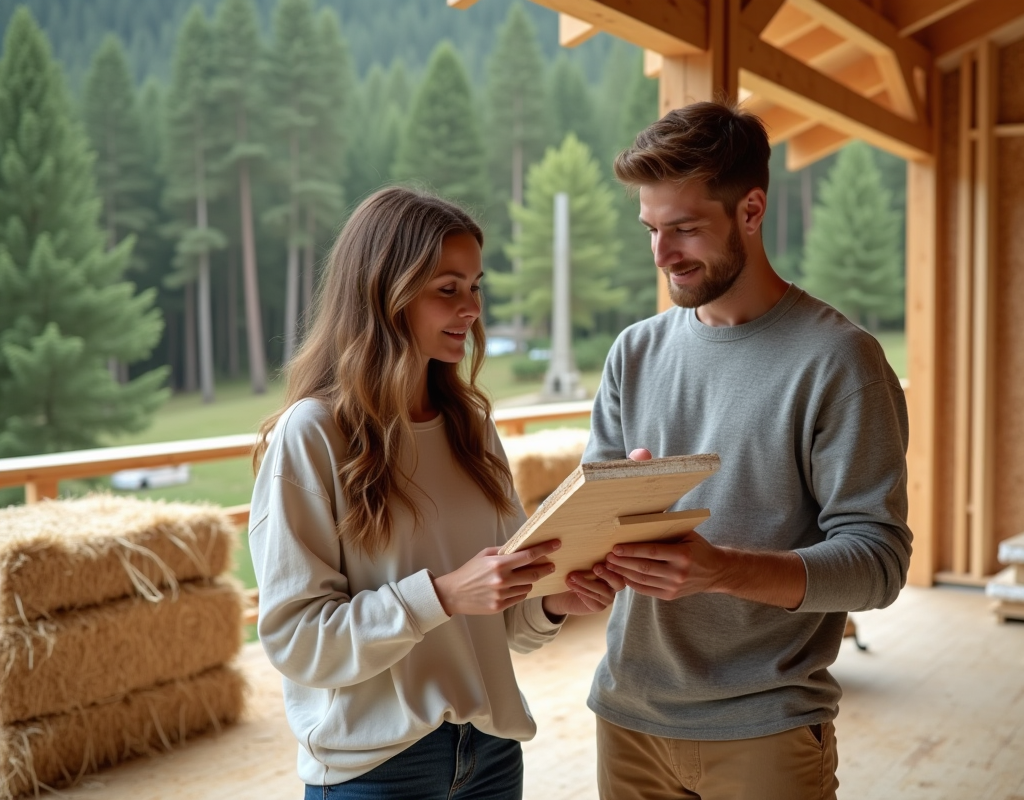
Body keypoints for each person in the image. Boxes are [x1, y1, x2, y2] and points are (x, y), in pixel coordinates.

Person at [581, 101, 912, 799]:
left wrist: (720, 570)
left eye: (684, 230)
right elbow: (589, 532)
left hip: (764, 728)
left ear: (752, 211)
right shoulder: (633, 353)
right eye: (651, 229)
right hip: (627, 719)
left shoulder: (840, 361)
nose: (662, 255)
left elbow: (878, 564)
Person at [248, 187, 620, 800]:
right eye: (447, 288)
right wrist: (442, 596)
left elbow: (508, 621)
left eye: (475, 286)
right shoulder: (312, 435)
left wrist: (555, 604)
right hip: (376, 772)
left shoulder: (471, 427)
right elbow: (297, 641)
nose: (471, 308)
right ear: (383, 293)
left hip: (492, 758)